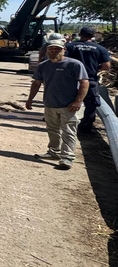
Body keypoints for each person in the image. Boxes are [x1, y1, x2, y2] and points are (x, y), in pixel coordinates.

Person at [25, 35, 89, 170]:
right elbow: (36, 83)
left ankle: (67, 157)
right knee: (53, 129)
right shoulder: (43, 66)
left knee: (68, 131)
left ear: (64, 50)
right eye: (51, 49)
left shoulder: (74, 64)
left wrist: (78, 101)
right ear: (47, 50)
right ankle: (54, 152)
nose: (54, 51)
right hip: (50, 104)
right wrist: (30, 99)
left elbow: (84, 82)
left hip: (69, 105)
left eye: (57, 49)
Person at [66, 25, 111, 133]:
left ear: (80, 34)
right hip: (90, 80)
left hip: (71, 80)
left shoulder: (70, 46)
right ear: (93, 35)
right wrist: (95, 68)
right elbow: (106, 66)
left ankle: (65, 125)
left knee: (66, 102)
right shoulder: (100, 49)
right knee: (91, 104)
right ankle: (86, 127)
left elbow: (62, 60)